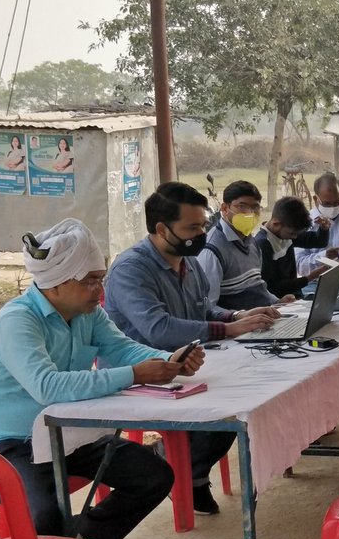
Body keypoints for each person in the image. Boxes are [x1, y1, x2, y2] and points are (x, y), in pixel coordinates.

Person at [0, 218, 186, 539]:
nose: (98, 291)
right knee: (44, 511)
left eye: (99, 279)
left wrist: (169, 359)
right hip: (8, 444)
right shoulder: (18, 320)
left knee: (153, 475)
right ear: (58, 283)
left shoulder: (88, 313)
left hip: (66, 434)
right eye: (90, 282)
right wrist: (134, 374)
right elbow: (47, 386)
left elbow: (123, 348)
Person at [105, 182, 282, 515]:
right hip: (142, 371)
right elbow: (159, 330)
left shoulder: (189, 261)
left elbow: (205, 310)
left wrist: (240, 316)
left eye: (202, 225)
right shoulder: (131, 269)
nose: (202, 233)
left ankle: (190, 471)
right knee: (226, 405)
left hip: (189, 364)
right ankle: (176, 464)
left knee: (246, 393)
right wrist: (228, 328)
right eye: (192, 227)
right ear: (161, 228)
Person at [197, 180, 290, 310]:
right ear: (225, 208)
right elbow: (207, 308)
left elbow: (256, 286)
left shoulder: (252, 242)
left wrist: (277, 302)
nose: (249, 212)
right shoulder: (212, 251)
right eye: (242, 206)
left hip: (263, 318)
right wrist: (240, 317)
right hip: (238, 326)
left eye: (255, 207)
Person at [255, 196, 333, 299]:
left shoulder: (286, 231)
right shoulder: (263, 245)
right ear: (276, 223)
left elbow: (318, 241)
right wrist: (310, 277)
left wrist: (324, 228)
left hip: (295, 297)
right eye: (292, 234)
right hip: (279, 302)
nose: (295, 237)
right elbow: (272, 287)